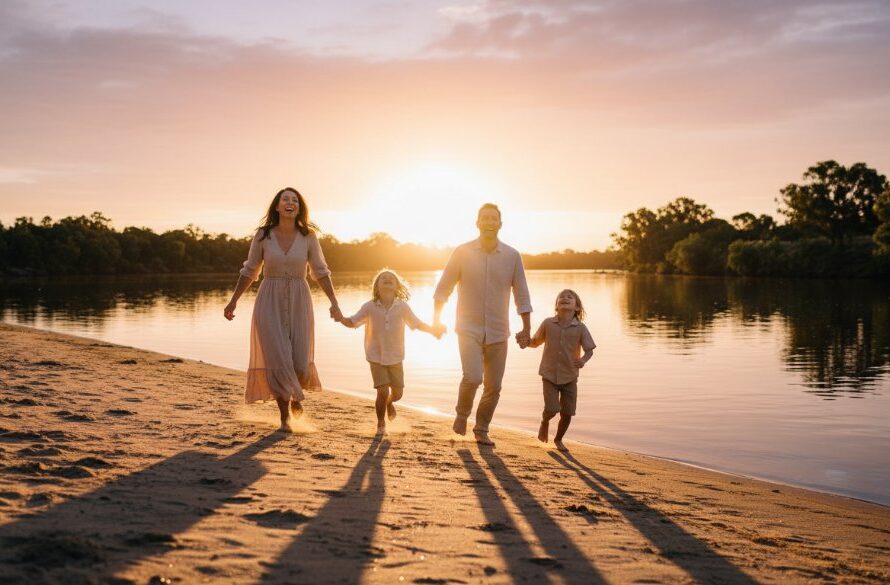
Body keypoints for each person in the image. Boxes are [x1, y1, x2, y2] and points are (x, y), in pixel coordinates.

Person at [224, 187, 342, 432]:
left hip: (300, 299)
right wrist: (234, 300)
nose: (290, 203)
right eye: (285, 199)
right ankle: (284, 417)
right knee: (277, 359)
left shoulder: (309, 236)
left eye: (295, 200)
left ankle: (296, 394)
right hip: (269, 301)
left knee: (299, 362)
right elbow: (250, 270)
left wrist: (334, 302)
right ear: (277, 207)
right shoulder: (263, 236)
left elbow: (320, 271)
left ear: (299, 207)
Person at [433, 203, 532, 447]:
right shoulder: (462, 252)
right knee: (473, 376)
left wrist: (526, 328)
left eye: (493, 219)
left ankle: (482, 428)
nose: (489, 222)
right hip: (468, 327)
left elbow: (522, 294)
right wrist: (436, 319)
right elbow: (443, 288)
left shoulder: (512, 256)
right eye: (484, 218)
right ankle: (462, 414)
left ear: (500, 224)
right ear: (477, 223)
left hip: (499, 331)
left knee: (494, 386)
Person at [338, 270, 444, 432]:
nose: (387, 279)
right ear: (377, 286)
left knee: (398, 394)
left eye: (391, 278)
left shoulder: (402, 306)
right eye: (383, 278)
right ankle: (381, 425)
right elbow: (353, 321)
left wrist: (433, 330)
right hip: (375, 356)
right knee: (382, 391)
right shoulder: (369, 307)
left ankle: (389, 403)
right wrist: (340, 318)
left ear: (397, 286)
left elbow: (416, 323)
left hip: (396, 357)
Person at [528, 289, 596, 451]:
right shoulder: (547, 323)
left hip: (570, 376)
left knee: (568, 412)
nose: (565, 298)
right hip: (549, 374)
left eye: (569, 297)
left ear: (577, 307)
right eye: (562, 297)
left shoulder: (581, 328)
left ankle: (558, 439)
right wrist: (525, 341)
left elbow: (589, 350)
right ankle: (545, 422)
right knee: (552, 408)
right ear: (556, 306)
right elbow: (535, 342)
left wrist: (583, 360)